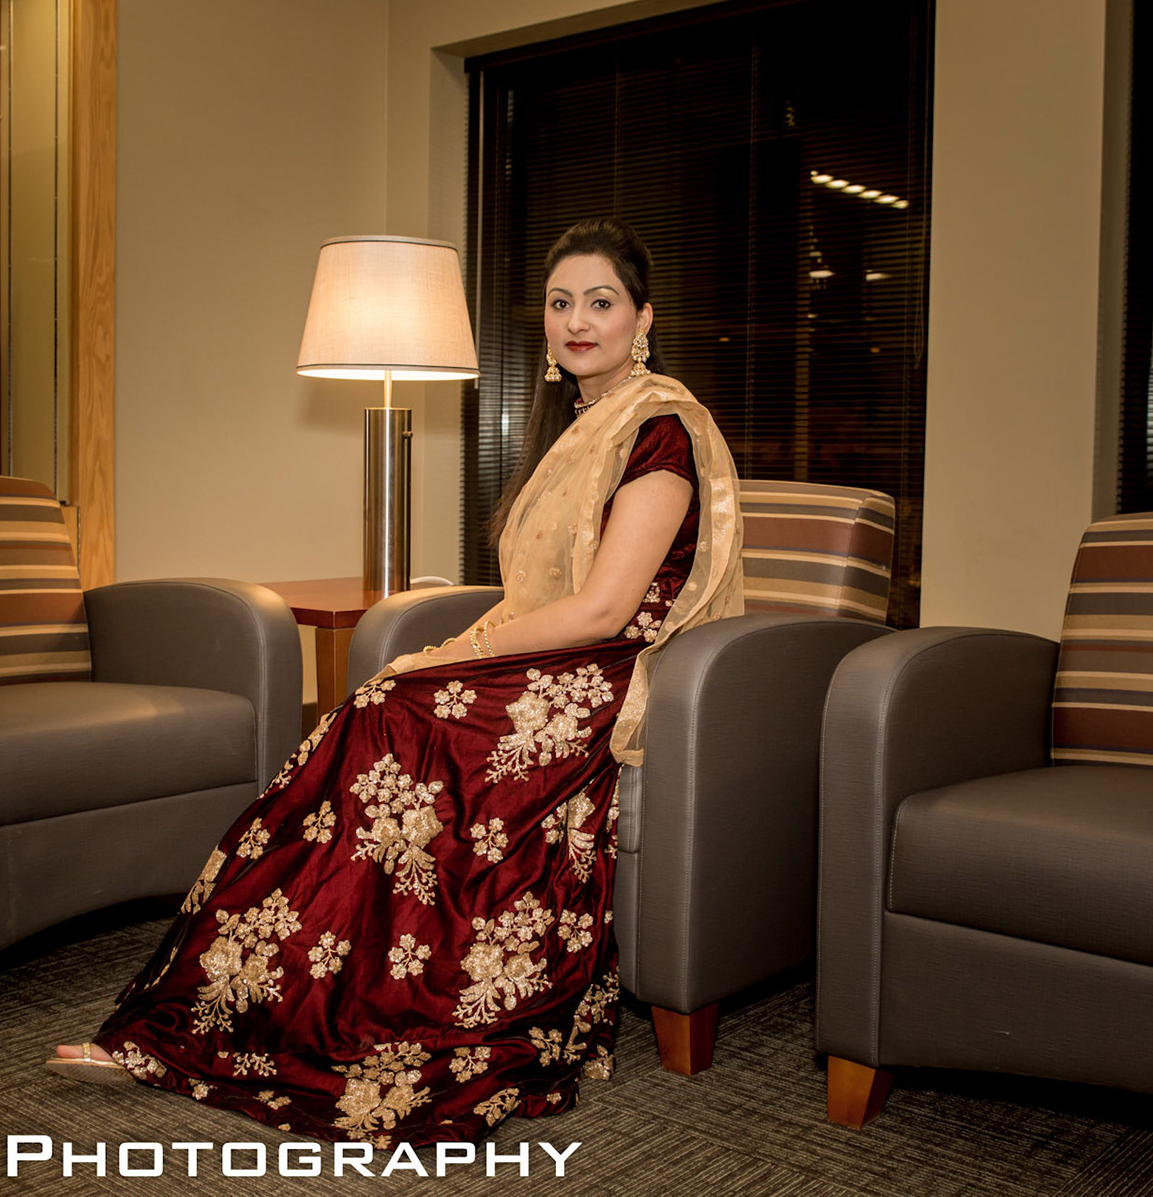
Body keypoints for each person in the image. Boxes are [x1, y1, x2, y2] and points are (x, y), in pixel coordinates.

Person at [47, 218, 744, 1146]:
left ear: (642, 318)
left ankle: (362, 1022)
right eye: (560, 303)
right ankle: (225, 1011)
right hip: (551, 662)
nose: (578, 321)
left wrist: (458, 654)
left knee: (389, 715)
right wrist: (460, 649)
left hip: (606, 678)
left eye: (601, 302)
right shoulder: (576, 428)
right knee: (373, 714)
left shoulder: (660, 431)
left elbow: (604, 610)